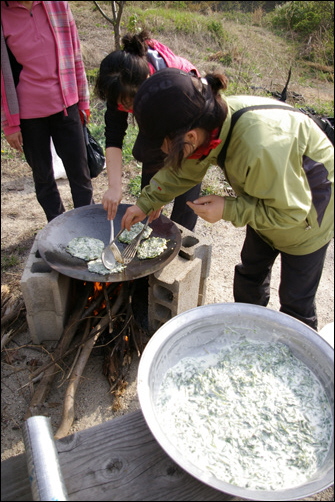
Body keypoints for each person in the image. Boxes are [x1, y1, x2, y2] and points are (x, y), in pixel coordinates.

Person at [121, 68, 334, 331]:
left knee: (295, 301)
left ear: (189, 137)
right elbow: (186, 169)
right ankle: (247, 332)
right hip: (269, 197)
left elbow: (291, 213)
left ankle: (298, 356)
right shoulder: (210, 125)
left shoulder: (258, 149)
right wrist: (147, 202)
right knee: (250, 275)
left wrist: (229, 208)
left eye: (164, 146)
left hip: (308, 216)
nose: (164, 154)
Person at [94, 30, 202, 231]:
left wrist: (162, 194)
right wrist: (115, 186)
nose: (125, 110)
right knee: (149, 185)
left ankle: (183, 237)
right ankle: (147, 231)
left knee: (186, 185)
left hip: (187, 118)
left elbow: (186, 152)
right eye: (121, 105)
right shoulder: (120, 84)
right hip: (154, 109)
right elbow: (114, 137)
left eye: (128, 105)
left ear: (145, 84)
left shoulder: (175, 90)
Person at [1, 0, 93, 222]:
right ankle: (57, 225)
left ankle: (86, 223)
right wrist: (9, 123)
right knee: (43, 177)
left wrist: (83, 101)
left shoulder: (57, 5)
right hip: (27, 113)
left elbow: (75, 54)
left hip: (65, 103)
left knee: (80, 173)